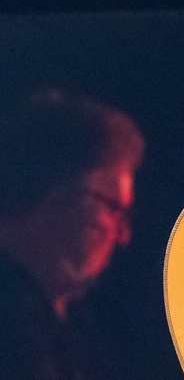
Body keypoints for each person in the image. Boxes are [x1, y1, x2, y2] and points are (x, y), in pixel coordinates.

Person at [0, 89, 144, 380]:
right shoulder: (14, 324)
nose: (123, 236)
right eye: (112, 207)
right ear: (51, 189)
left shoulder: (67, 330)